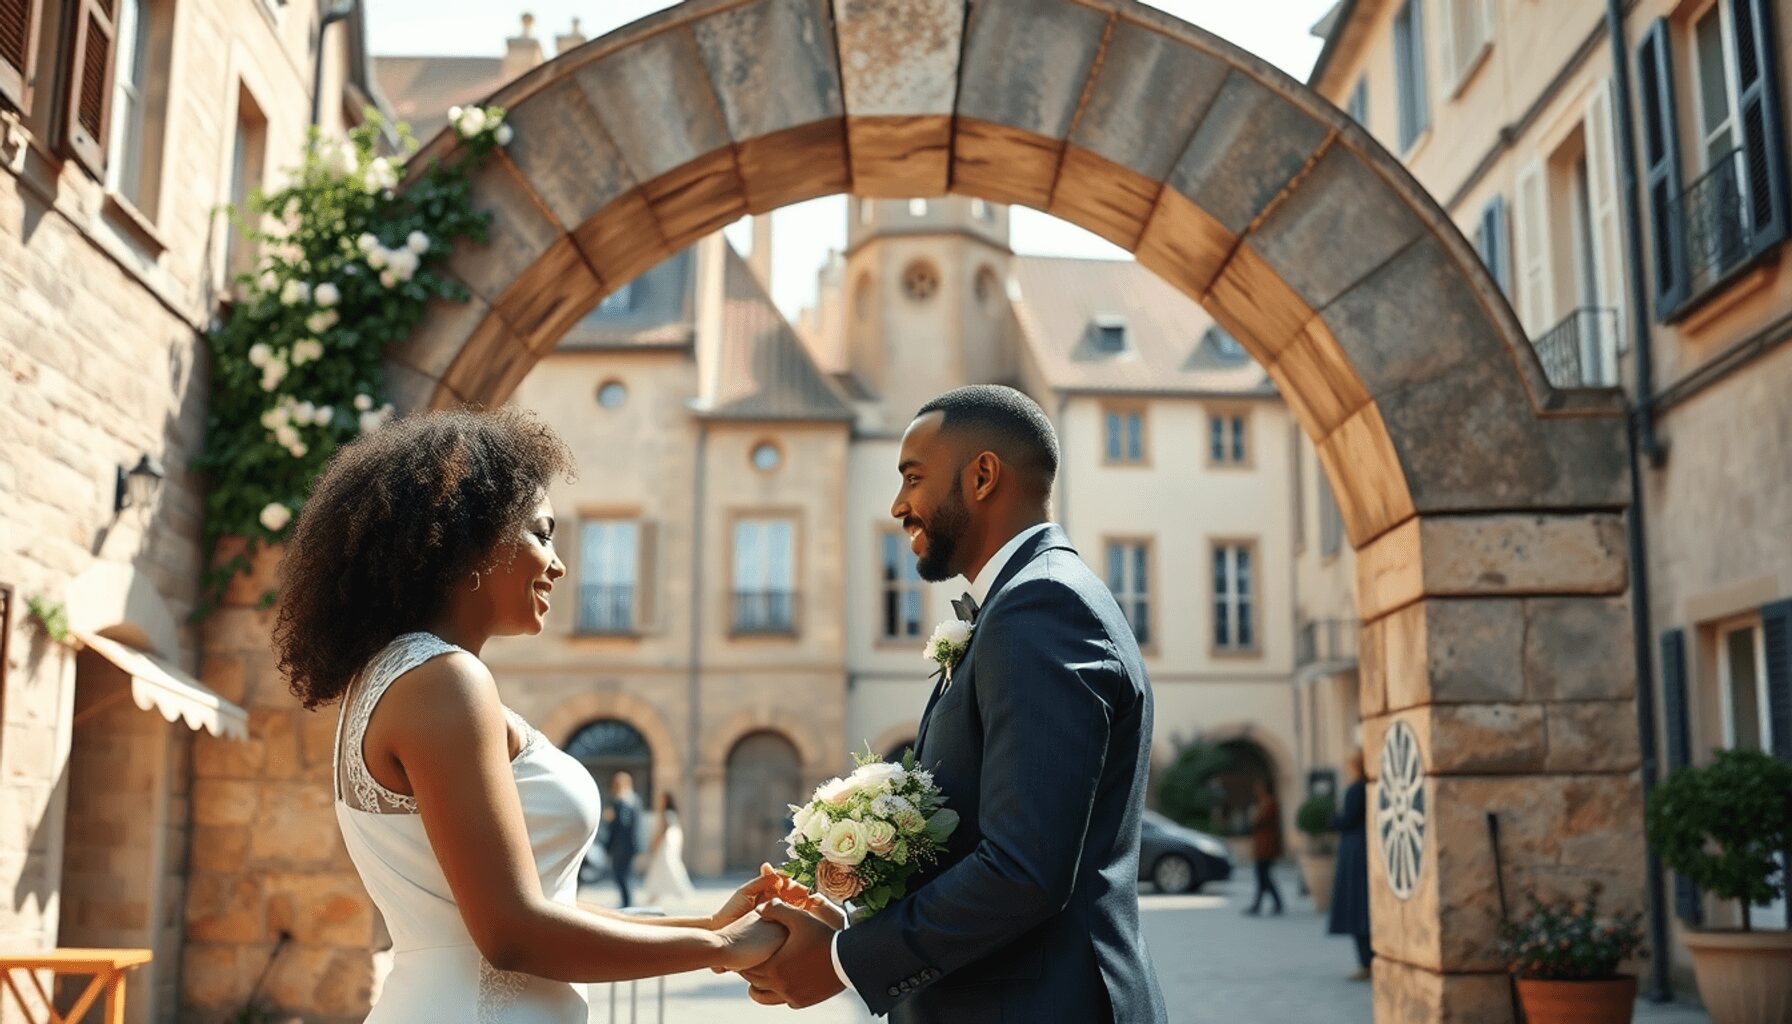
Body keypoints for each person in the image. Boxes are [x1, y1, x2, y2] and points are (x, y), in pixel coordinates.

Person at [274, 409, 798, 1022]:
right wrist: (721, 949)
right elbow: (513, 935)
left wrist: (706, 923)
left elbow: (534, 903)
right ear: (471, 535)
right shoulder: (444, 680)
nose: (559, 564)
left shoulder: (394, 676)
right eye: (542, 534)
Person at [737, 385, 1169, 1022]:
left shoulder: (1043, 608)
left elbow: (1023, 869)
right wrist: (848, 908)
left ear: (983, 475)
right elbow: (973, 835)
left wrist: (842, 961)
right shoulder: (1020, 605)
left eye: (913, 477)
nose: (898, 505)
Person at [1328, 747, 1373, 979]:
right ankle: (1370, 960)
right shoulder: (1369, 786)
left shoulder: (1357, 789)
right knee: (1363, 906)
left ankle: (1367, 962)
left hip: (1355, 852)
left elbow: (1347, 820)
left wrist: (1332, 818)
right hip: (1364, 848)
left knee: (1357, 907)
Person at [641, 791, 696, 905]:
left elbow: (662, 830)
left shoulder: (666, 813)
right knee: (664, 866)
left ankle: (677, 891)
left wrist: (654, 843)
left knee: (668, 865)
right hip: (671, 841)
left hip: (667, 842)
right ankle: (656, 894)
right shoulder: (671, 814)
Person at [1244, 778, 1285, 916]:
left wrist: (1253, 815)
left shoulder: (1270, 803)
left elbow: (1258, 821)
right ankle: (1265, 904)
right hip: (1262, 846)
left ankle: (1269, 904)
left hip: (1267, 847)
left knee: (1264, 876)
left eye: (1259, 787)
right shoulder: (1263, 803)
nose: (1256, 791)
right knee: (1263, 876)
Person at [603, 773, 644, 909]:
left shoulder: (623, 800)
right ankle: (627, 901)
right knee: (625, 874)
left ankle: (627, 903)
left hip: (622, 845)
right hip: (630, 844)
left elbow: (622, 824)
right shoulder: (635, 799)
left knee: (620, 874)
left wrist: (611, 818)